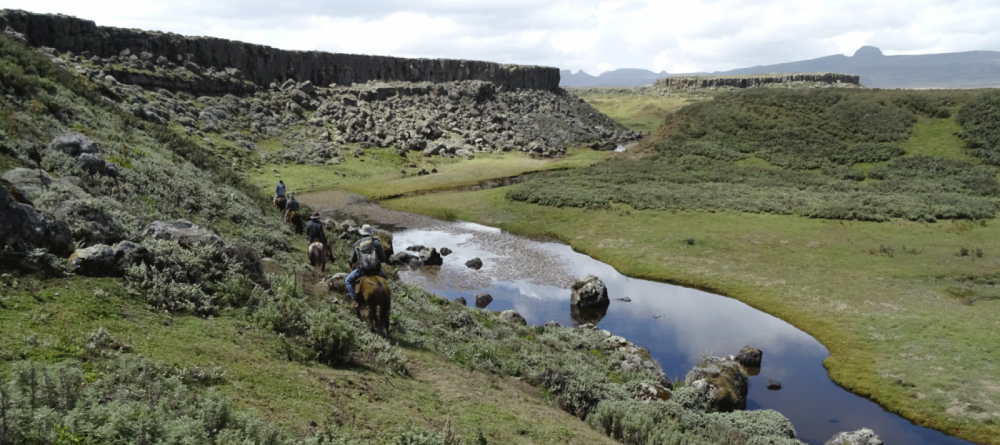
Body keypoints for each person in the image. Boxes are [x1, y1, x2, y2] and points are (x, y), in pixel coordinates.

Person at [346, 224, 387, 304]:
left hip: (362, 270)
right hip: (376, 270)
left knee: (347, 280)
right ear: (370, 233)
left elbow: (353, 260)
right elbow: (383, 259)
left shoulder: (357, 243)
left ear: (362, 233)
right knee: (384, 279)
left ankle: (355, 300)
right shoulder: (376, 243)